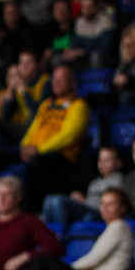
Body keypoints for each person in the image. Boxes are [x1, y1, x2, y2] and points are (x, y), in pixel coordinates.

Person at [19, 65, 90, 209]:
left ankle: (34, 211)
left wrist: (39, 149)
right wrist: (24, 147)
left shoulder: (79, 105)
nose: (56, 83)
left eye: (61, 80)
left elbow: (67, 136)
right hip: (37, 154)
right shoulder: (46, 104)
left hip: (62, 159)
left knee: (37, 165)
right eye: (54, 79)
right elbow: (33, 129)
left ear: (72, 83)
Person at [70, 188, 134, 270]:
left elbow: (93, 260)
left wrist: (69, 269)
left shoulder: (118, 226)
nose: (104, 208)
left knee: (46, 262)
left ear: (122, 208)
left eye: (110, 204)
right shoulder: (112, 227)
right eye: (102, 204)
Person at [41, 144, 124, 226]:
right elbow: (89, 202)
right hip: (87, 208)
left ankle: (59, 233)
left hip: (99, 212)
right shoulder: (94, 182)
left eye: (107, 160)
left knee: (58, 201)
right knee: (49, 200)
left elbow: (111, 203)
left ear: (119, 163)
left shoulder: (119, 179)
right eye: (100, 159)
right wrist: (82, 200)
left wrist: (85, 202)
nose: (102, 163)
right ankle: (50, 231)